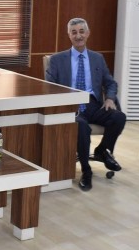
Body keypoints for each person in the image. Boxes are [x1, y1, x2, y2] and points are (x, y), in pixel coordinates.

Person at [45, 18, 126, 192]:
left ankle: (102, 150)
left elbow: (110, 83)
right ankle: (86, 171)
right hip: (70, 105)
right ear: (69, 35)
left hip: (93, 104)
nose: (78, 36)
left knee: (119, 117)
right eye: (74, 32)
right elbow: (49, 87)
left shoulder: (97, 58)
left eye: (82, 31)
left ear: (88, 33)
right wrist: (64, 104)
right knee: (82, 127)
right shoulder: (57, 60)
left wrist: (110, 98)